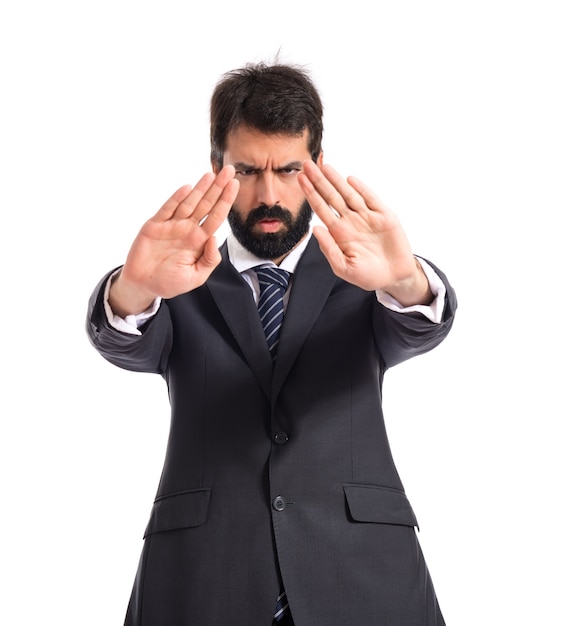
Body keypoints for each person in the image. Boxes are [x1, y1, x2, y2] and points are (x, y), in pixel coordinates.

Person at [86, 61, 457, 626]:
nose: (269, 194)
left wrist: (406, 280)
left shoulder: (363, 274)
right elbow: (127, 343)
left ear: (318, 167)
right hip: (205, 578)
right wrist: (133, 290)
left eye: (288, 170)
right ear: (217, 167)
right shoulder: (178, 277)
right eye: (247, 171)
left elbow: (417, 325)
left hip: (363, 573)